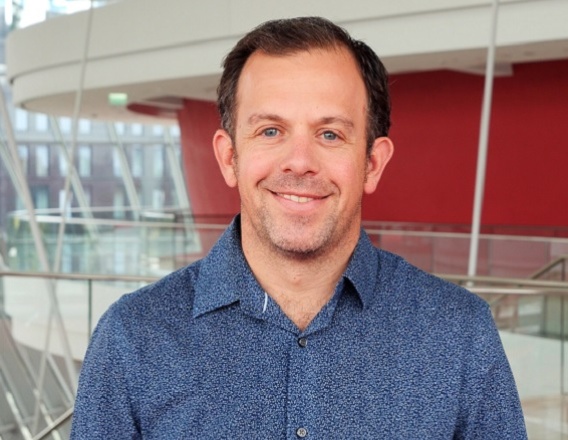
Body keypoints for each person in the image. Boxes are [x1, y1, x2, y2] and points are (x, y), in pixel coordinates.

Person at [71, 16, 527, 439]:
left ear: (372, 163)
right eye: (270, 131)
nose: (300, 162)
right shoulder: (132, 338)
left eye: (330, 134)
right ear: (229, 157)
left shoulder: (458, 334)